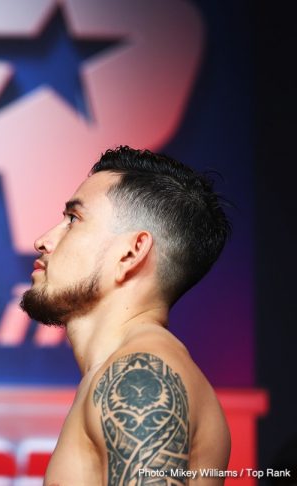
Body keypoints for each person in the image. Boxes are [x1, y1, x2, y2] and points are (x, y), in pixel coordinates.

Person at [21, 146, 231, 485]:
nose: (43, 240)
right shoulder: (121, 369)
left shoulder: (142, 373)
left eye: (73, 220)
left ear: (131, 253)